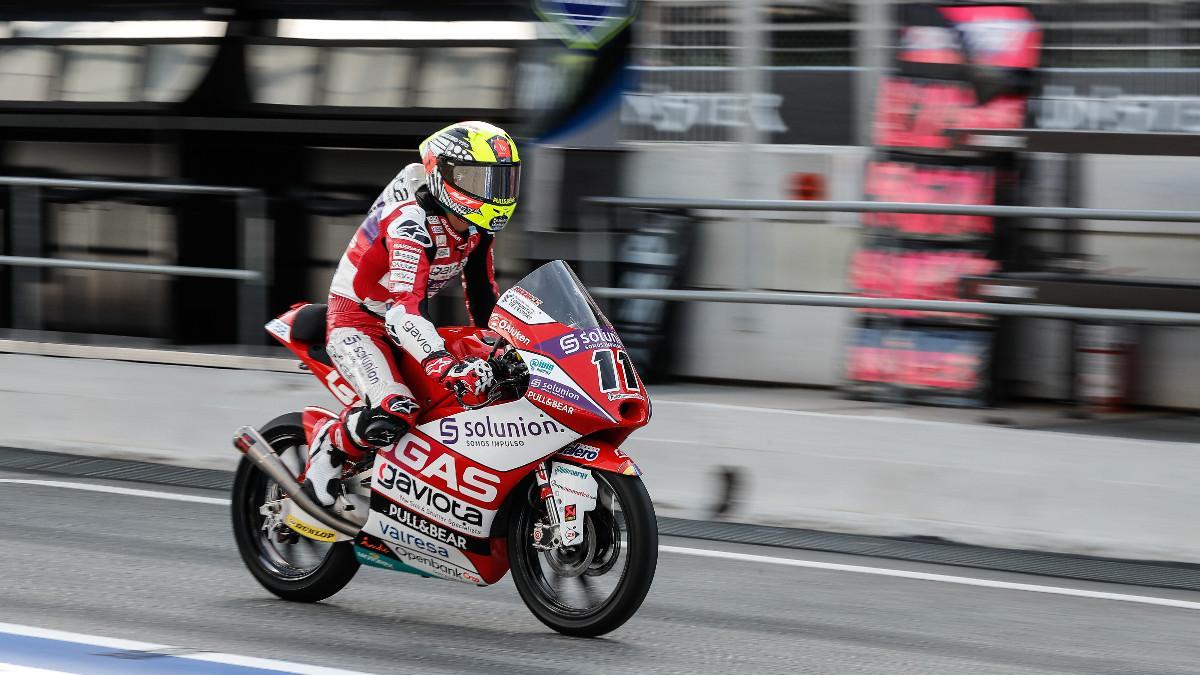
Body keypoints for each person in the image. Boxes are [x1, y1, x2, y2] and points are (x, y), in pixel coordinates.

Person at [303, 121, 520, 507]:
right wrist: (443, 364)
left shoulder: (475, 228)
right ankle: (330, 445)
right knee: (395, 409)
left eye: (500, 181)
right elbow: (403, 309)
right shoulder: (410, 224)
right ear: (442, 174)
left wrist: (507, 345)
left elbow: (483, 295)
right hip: (358, 322)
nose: (493, 193)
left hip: (406, 320)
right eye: (479, 179)